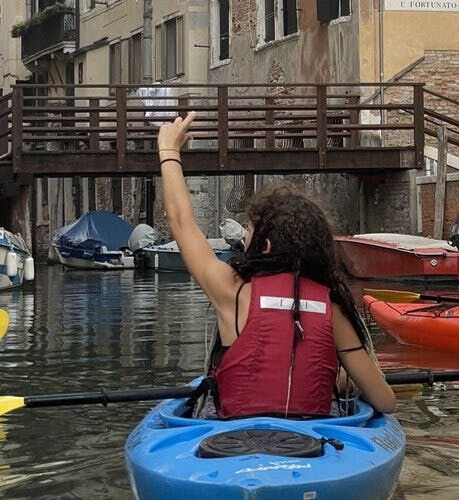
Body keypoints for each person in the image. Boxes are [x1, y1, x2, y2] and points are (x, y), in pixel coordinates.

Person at [157, 112, 396, 418]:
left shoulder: (232, 291)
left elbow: (181, 222)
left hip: (235, 444)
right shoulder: (332, 307)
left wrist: (168, 151)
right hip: (312, 450)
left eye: (249, 231)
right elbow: (387, 403)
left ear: (265, 247)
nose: (244, 237)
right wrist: (346, 378)